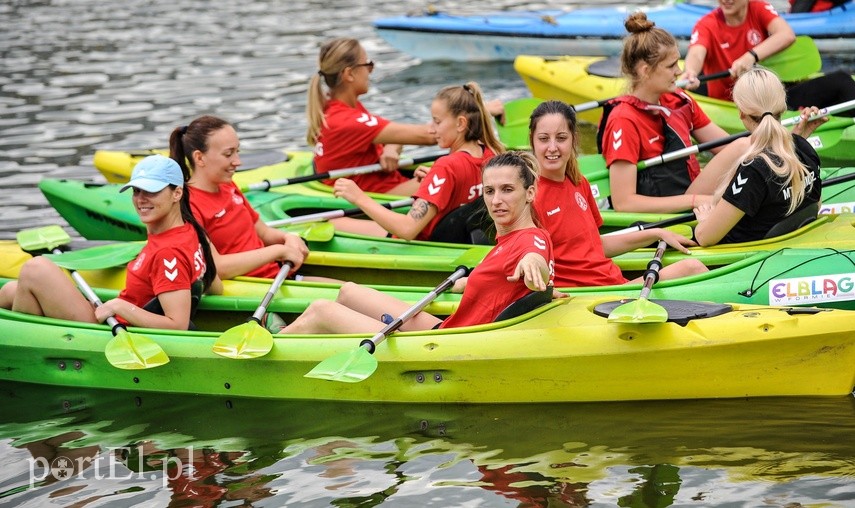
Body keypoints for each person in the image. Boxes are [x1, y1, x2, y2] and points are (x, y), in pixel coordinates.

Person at [281, 151, 554, 334]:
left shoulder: (531, 239)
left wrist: (534, 267)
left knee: (321, 309)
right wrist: (469, 283)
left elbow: (535, 261)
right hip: (449, 326)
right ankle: (281, 339)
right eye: (489, 191)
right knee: (348, 292)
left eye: (507, 190)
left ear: (529, 193)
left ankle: (261, 354)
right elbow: (509, 280)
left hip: (449, 343)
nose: (496, 201)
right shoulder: (508, 238)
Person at [0, 155, 221, 330]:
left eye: (151, 191)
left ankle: (28, 351)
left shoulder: (168, 252)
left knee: (35, 269)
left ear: (177, 193)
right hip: (116, 317)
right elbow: (213, 284)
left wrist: (118, 306)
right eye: (136, 191)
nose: (140, 199)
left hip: (111, 328)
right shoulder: (191, 231)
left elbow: (177, 325)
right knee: (11, 290)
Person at [533, 100, 708, 287]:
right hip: (592, 299)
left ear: (574, 140)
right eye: (544, 139)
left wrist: (656, 233)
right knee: (692, 268)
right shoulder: (530, 196)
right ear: (532, 141)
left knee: (692, 268)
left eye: (561, 138)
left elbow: (595, 245)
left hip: (614, 284)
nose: (552, 147)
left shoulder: (579, 182)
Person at [306, 37, 504, 196]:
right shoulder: (347, 120)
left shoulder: (337, 107)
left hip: (380, 181)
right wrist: (481, 110)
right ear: (349, 74)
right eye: (368, 65)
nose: (370, 71)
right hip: (378, 193)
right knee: (471, 179)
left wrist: (391, 147)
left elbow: (391, 134)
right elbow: (429, 135)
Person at [597, 12, 738, 214]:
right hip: (668, 212)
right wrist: (695, 200)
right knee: (742, 147)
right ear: (646, 71)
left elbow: (726, 147)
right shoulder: (623, 119)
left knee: (744, 148)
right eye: (671, 65)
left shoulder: (678, 99)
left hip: (690, 194)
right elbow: (624, 203)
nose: (679, 72)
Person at [329, 81, 503, 241]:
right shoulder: (491, 155)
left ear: (460, 124)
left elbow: (408, 229)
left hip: (421, 241)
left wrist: (359, 197)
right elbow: (464, 190)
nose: (432, 130)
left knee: (332, 222)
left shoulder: (447, 166)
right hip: (461, 235)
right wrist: (435, 180)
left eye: (437, 122)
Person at [169, 115, 311, 281]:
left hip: (278, 276)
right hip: (253, 289)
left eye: (238, 152)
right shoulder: (188, 205)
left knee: (347, 291)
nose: (238, 162)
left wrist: (289, 237)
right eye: (228, 154)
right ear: (199, 158)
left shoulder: (228, 185)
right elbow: (217, 268)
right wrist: (278, 251)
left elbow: (264, 232)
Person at [693, 68, 823, 245]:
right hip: (783, 244)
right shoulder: (804, 147)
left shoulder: (753, 170)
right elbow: (816, 205)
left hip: (741, 258)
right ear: (783, 107)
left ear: (741, 113)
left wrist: (706, 219)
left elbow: (705, 238)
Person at [681, 0, 855, 115]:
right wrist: (690, 72)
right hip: (737, 104)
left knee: (842, 80)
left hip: (771, 94)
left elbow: (786, 35)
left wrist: (751, 56)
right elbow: (696, 53)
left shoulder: (757, 8)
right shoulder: (707, 24)